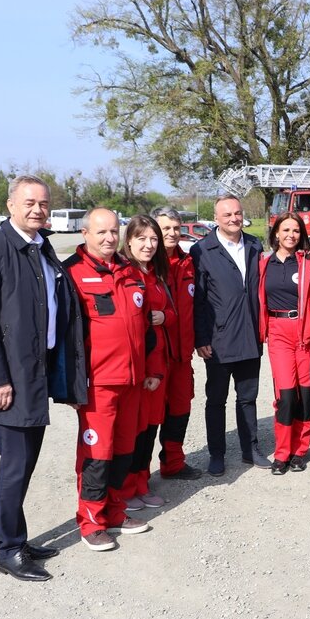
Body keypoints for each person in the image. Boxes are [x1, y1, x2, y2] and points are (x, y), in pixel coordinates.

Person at [0, 175, 86, 581]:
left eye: (44, 204)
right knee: (15, 465)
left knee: (25, 462)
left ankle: (6, 538)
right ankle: (8, 551)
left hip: (35, 373)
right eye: (30, 203)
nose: (38, 210)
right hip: (9, 380)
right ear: (11, 204)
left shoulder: (41, 248)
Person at [65, 207, 154, 551]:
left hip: (132, 382)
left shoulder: (130, 271)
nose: (108, 238)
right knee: (97, 455)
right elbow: (64, 336)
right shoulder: (71, 274)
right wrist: (71, 383)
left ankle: (116, 511)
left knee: (123, 452)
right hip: (97, 385)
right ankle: (91, 521)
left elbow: (144, 324)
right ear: (85, 234)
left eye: (113, 231)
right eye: (101, 232)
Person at [191, 195, 267, 476]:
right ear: (216, 218)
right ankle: (217, 454)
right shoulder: (202, 251)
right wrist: (201, 338)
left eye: (237, 213)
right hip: (219, 341)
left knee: (247, 398)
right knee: (216, 400)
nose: (234, 218)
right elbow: (197, 299)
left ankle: (251, 449)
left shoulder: (254, 245)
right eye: (227, 215)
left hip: (250, 336)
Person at [118, 216, 176, 513]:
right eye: (141, 238)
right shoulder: (124, 274)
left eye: (153, 239)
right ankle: (126, 489)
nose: (149, 244)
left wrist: (164, 317)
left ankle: (142, 482)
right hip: (137, 370)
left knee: (150, 428)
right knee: (134, 431)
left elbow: (170, 311)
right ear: (128, 241)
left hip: (157, 368)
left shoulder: (156, 274)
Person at [259, 212, 310, 474]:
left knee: (306, 394)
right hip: (278, 330)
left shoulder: (308, 262)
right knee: (285, 395)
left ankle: (300, 451)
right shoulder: (263, 264)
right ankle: (282, 453)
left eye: (295, 230)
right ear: (276, 234)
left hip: (304, 331)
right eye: (285, 230)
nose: (291, 235)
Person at [151, 207, 202, 480]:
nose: (171, 233)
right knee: (149, 418)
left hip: (182, 356)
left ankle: (173, 464)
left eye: (175, 227)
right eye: (165, 228)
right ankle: (136, 476)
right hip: (156, 357)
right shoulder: (144, 264)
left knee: (180, 409)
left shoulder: (188, 262)